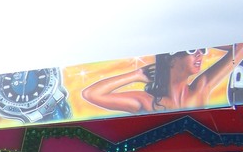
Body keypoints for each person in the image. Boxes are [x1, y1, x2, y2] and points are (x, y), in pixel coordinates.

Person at [81, 44, 242, 113]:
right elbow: (91, 94)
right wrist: (136, 75)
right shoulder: (146, 101)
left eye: (202, 50)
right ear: (171, 60)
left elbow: (239, 48)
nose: (200, 54)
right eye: (192, 50)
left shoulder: (201, 87)